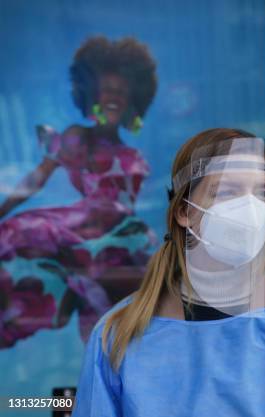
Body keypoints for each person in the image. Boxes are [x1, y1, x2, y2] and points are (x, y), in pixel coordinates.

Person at [71, 128, 265, 417]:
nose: (251, 209)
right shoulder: (118, 335)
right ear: (184, 211)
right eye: (227, 192)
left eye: (263, 193)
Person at [0, 36, 157, 345]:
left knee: (110, 334)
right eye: (107, 89)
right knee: (14, 235)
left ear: (133, 99)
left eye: (122, 92)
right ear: (92, 94)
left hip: (118, 248)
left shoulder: (135, 158)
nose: (114, 97)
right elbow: (37, 178)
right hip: (78, 237)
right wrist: (3, 210)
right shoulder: (76, 139)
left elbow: (133, 210)